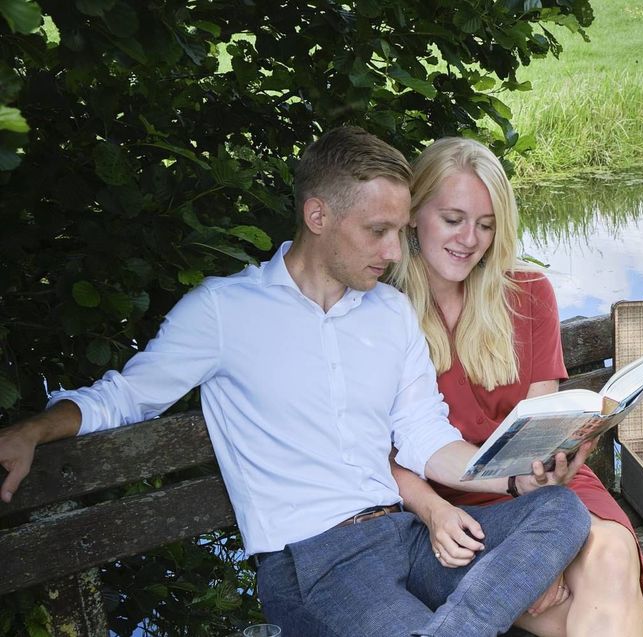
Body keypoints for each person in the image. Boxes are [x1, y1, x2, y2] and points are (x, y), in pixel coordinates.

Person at [0, 127, 596, 637]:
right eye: (378, 231)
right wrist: (33, 429)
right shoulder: (225, 312)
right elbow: (126, 396)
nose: (394, 252)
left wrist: (515, 477)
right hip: (314, 561)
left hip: (405, 533)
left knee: (559, 511)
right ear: (319, 216)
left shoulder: (389, 314)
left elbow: (424, 437)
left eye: (398, 232)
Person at [388, 137, 643, 637]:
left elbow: (546, 430)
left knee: (609, 554)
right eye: (453, 219)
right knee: (612, 608)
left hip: (548, 489)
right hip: (453, 512)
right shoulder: (383, 311)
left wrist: (561, 477)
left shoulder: (528, 294)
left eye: (486, 225)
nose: (470, 239)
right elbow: (383, 455)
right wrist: (437, 511)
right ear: (412, 214)